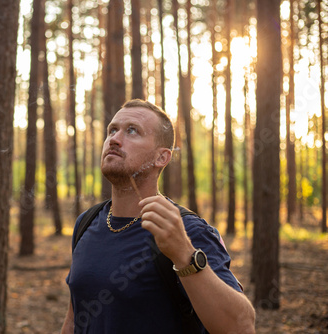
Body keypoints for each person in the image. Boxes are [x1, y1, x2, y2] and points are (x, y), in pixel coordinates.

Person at [61, 99, 255, 334]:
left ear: (161, 157)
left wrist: (184, 254)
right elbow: (74, 317)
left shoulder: (187, 230)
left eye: (132, 131)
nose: (114, 139)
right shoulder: (87, 222)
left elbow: (241, 327)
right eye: (112, 130)